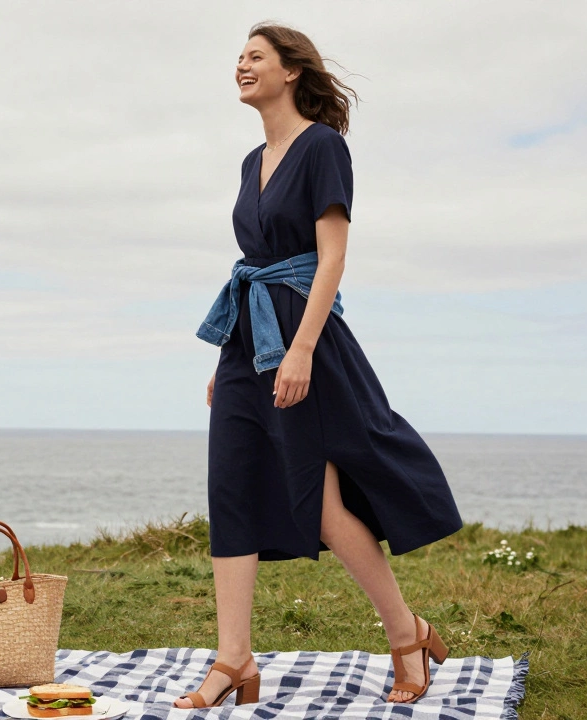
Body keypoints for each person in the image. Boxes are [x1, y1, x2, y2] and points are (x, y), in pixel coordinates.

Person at [171, 22, 464, 709]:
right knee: (231, 490)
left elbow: (330, 257)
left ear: (292, 71)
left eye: (255, 57)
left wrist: (300, 349)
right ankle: (235, 658)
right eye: (238, 57)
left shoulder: (323, 148)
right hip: (249, 341)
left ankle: (406, 634)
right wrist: (230, 357)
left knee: (323, 506)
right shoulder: (252, 161)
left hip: (306, 339)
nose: (240, 66)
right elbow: (253, 269)